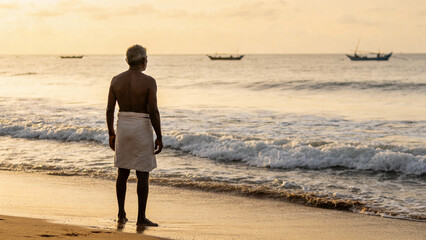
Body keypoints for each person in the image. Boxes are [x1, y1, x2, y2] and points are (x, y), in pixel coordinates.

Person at [106, 44, 163, 227]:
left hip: (123, 125)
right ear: (144, 61)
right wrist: (159, 136)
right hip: (141, 126)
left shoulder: (116, 80)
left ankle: (121, 214)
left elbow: (109, 110)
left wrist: (111, 133)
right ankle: (141, 218)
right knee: (142, 174)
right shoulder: (149, 82)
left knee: (122, 172)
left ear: (127, 61)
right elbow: (153, 111)